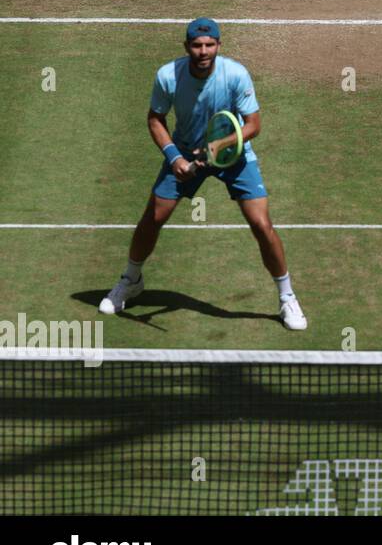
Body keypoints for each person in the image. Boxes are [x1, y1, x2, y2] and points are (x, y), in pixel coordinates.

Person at [99, 17, 307, 330]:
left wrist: (217, 147)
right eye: (197, 45)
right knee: (154, 217)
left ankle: (287, 297)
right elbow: (155, 118)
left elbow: (253, 125)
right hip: (184, 151)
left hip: (234, 155)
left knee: (261, 224)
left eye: (210, 45)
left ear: (219, 46)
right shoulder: (168, 76)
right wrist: (173, 158)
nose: (203, 51)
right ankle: (131, 280)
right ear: (187, 47)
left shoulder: (235, 74)